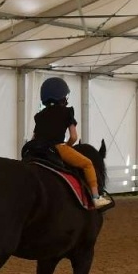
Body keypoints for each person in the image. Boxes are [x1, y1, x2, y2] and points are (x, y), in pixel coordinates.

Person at [30, 77, 112, 210]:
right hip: (56, 147)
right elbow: (74, 137)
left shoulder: (39, 115)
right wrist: (66, 147)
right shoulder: (67, 112)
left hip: (36, 150)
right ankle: (96, 198)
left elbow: (34, 137)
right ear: (62, 96)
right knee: (88, 164)